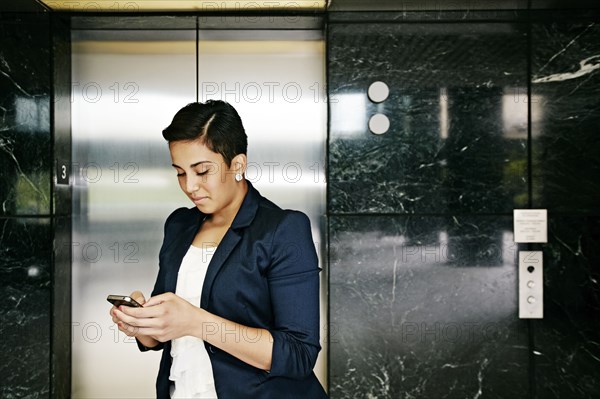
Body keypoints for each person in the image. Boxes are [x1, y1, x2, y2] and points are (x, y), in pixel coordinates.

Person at [110, 100, 328, 399]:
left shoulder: (282, 229)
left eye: (202, 171)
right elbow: (163, 335)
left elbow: (298, 354)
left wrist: (197, 322)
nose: (190, 186)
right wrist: (142, 325)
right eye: (180, 172)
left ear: (237, 164)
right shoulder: (179, 224)